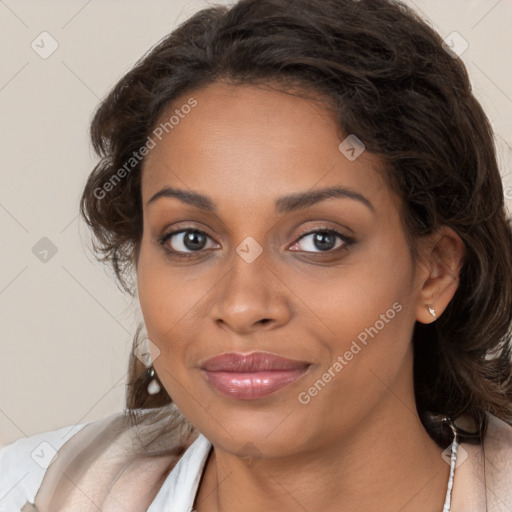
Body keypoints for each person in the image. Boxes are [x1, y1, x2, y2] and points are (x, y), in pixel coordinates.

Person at [1, 0, 512, 510]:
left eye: (320, 240)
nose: (243, 305)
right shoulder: (29, 492)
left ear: (435, 273)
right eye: (191, 239)